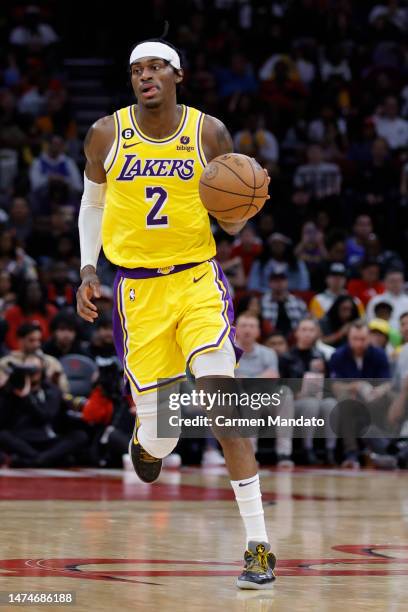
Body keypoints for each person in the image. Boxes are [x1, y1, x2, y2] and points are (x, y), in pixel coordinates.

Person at [76, 38, 275, 588]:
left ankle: (258, 546)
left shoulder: (209, 133)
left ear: (177, 75)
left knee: (221, 402)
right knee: (162, 433)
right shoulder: (105, 134)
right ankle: (148, 441)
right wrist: (89, 270)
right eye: (137, 69)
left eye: (157, 67)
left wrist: (241, 209)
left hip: (196, 282)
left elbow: (231, 220)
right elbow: (92, 203)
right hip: (136, 293)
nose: (146, 75)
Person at [235, 312, 294, 468]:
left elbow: (273, 376)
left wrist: (248, 379)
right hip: (236, 401)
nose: (247, 330)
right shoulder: (228, 352)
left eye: (252, 326)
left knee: (285, 393)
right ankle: (250, 453)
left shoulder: (268, 353)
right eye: (244, 326)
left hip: (265, 398)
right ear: (236, 330)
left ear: (258, 332)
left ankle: (284, 453)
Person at [0, 322, 69, 392]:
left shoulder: (51, 362)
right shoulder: (6, 362)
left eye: (39, 340)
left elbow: (64, 389)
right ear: (20, 340)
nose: (37, 344)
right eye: (31, 340)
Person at [261, 271, 308, 337]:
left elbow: (307, 320)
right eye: (275, 281)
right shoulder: (262, 302)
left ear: (287, 282)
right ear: (269, 283)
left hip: (295, 338)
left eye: (282, 280)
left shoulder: (298, 301)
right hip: (270, 338)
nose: (279, 283)